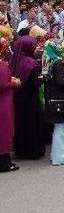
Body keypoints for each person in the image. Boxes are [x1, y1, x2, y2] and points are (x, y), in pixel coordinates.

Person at [11, 36, 46, 160]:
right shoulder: (31, 63)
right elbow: (34, 83)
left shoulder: (14, 59)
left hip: (18, 97)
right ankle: (32, 150)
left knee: (21, 124)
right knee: (32, 124)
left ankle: (21, 149)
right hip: (30, 99)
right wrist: (43, 78)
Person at [0, 38, 21, 173]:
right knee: (4, 131)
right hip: (3, 101)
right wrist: (14, 83)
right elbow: (3, 84)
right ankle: (4, 163)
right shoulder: (1, 65)